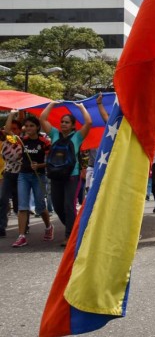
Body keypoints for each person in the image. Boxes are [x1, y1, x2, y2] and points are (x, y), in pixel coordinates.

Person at [40, 101, 93, 246]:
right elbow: (42, 119)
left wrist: (81, 107)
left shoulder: (77, 137)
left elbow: (88, 122)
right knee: (57, 206)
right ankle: (76, 227)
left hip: (72, 176)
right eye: (62, 122)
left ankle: (69, 236)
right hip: (56, 176)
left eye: (67, 122)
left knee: (69, 205)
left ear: (73, 125)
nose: (63, 124)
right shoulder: (54, 134)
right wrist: (51, 104)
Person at [7, 115, 54, 247]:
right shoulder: (22, 140)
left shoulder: (44, 142)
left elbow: (51, 161)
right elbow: (7, 131)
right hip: (23, 175)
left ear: (37, 127)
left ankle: (48, 227)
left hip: (38, 176)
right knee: (22, 206)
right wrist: (11, 113)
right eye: (26, 126)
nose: (28, 128)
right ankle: (21, 236)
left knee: (40, 206)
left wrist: (39, 166)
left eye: (31, 126)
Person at [0, 114, 23, 237]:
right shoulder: (8, 141)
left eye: (16, 129)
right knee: (3, 200)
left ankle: (24, 226)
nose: (12, 131)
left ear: (19, 130)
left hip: (21, 175)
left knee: (19, 202)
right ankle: (1, 226)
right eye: (11, 129)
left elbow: (8, 130)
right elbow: (6, 130)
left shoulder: (21, 141)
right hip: (8, 174)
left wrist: (12, 114)